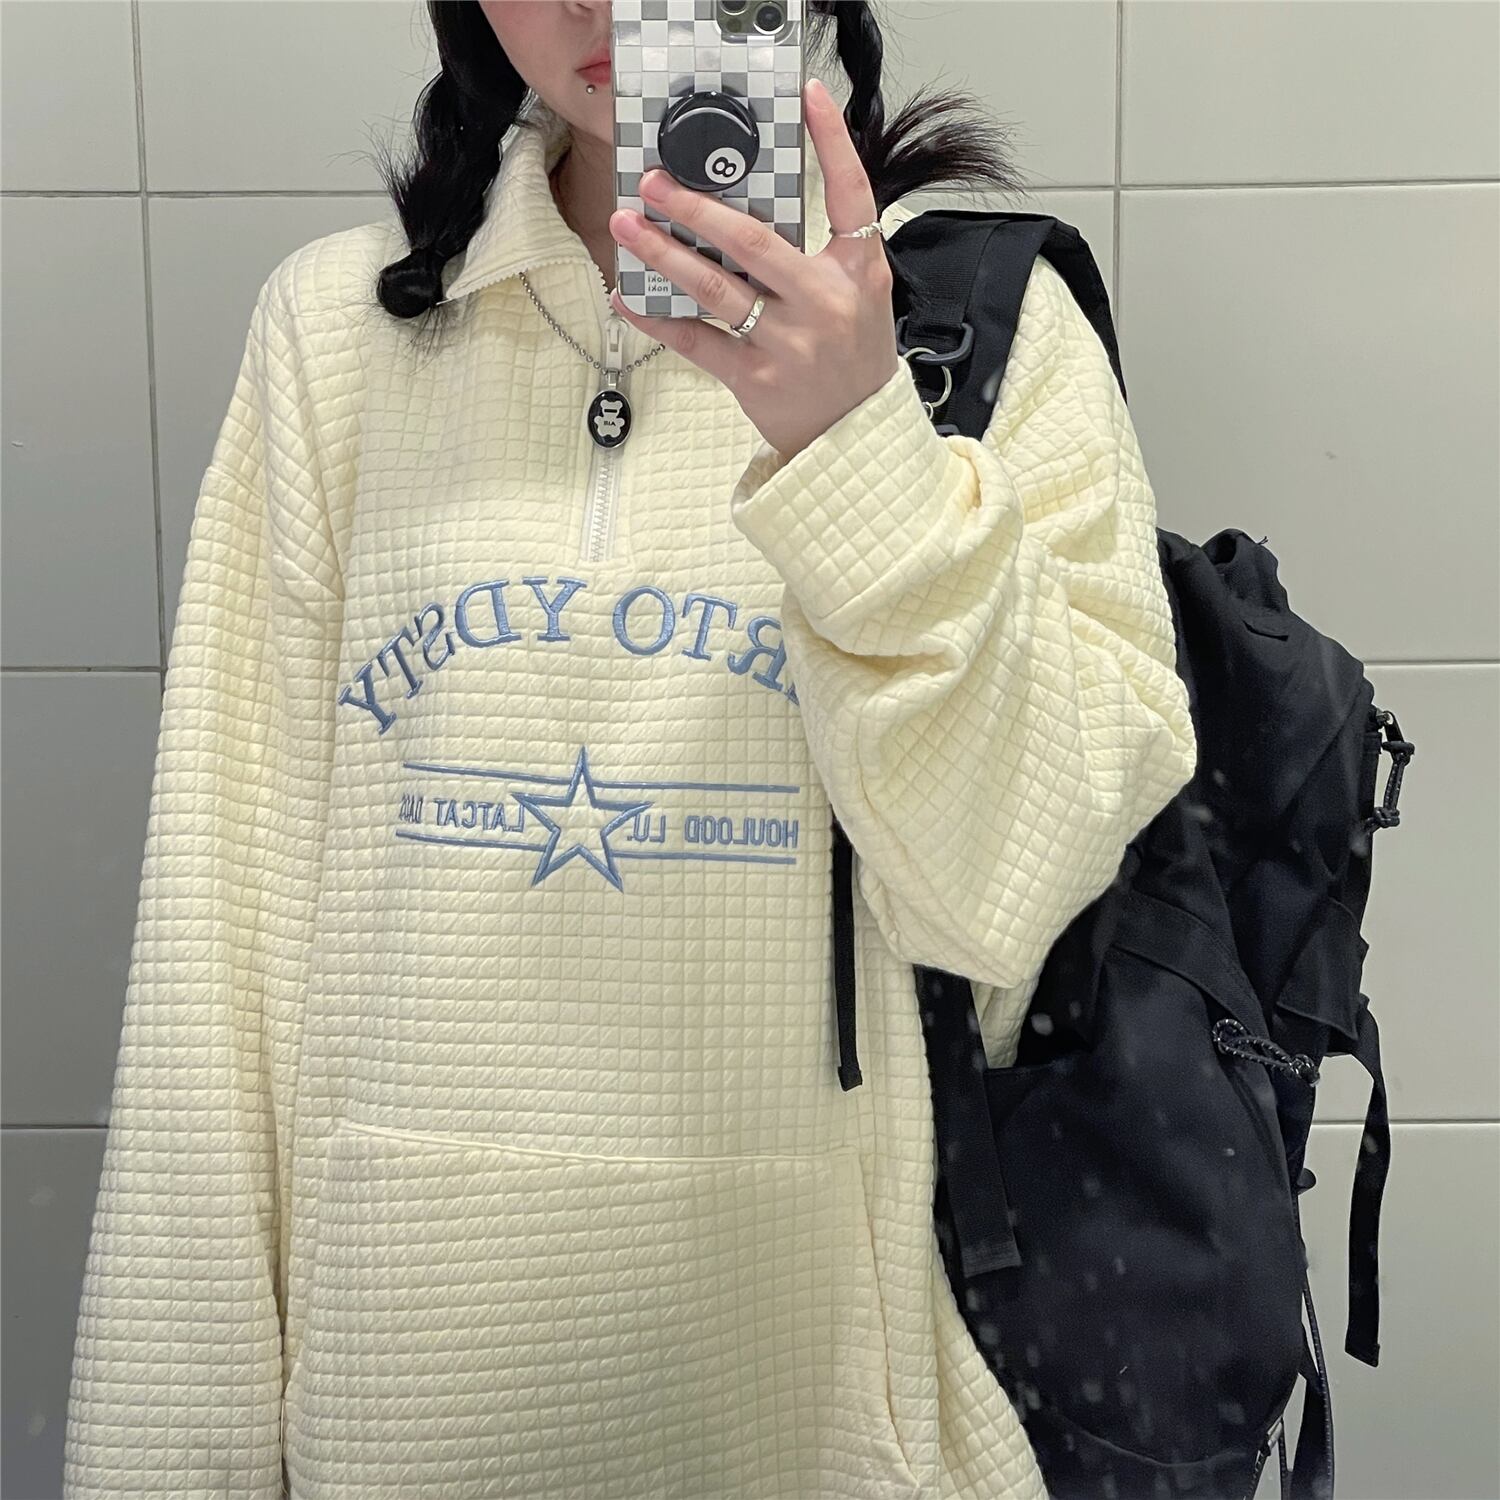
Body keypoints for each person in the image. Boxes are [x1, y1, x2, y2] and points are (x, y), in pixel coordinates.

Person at [62, 3, 1198, 1497]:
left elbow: (1011, 896)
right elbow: (216, 966)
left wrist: (859, 448)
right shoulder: (338, 333)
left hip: (825, 1404)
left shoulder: (981, 333)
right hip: (399, 1391)